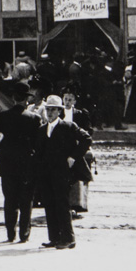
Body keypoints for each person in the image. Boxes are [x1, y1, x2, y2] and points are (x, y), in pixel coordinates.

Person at [0, 79, 40, 242]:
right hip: (27, 164)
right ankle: (24, 234)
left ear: (13, 97)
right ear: (27, 99)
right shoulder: (34, 118)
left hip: (7, 163)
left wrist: (2, 145)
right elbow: (38, 143)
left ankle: (10, 234)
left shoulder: (3, 116)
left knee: (10, 200)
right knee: (26, 201)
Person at [33, 94, 91, 249]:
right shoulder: (41, 130)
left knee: (62, 205)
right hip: (46, 174)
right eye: (48, 110)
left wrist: (73, 157)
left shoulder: (68, 126)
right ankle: (54, 237)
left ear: (59, 111)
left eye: (53, 110)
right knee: (49, 204)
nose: (50, 113)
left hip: (62, 173)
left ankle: (68, 238)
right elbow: (38, 152)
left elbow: (87, 139)